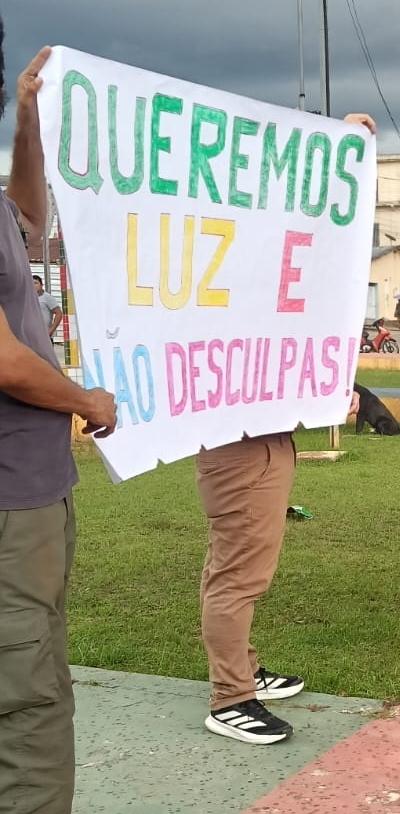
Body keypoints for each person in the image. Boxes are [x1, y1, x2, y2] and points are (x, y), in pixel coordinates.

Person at [197, 112, 375, 745]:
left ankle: (241, 670)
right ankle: (230, 697)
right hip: (238, 446)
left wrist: (336, 149)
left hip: (266, 441)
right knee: (239, 571)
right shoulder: (218, 295)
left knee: (243, 566)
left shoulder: (253, 292)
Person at [0, 37, 117, 814]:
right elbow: (5, 361)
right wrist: (84, 400)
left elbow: (28, 215)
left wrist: (28, 120)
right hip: (11, 502)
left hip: (30, 491)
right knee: (28, 698)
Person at [33, 273, 62, 339]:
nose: (34, 285)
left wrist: (51, 330)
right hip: (32, 337)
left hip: (45, 336)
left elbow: (59, 313)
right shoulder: (29, 298)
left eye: (36, 283)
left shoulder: (47, 297)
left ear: (41, 285)